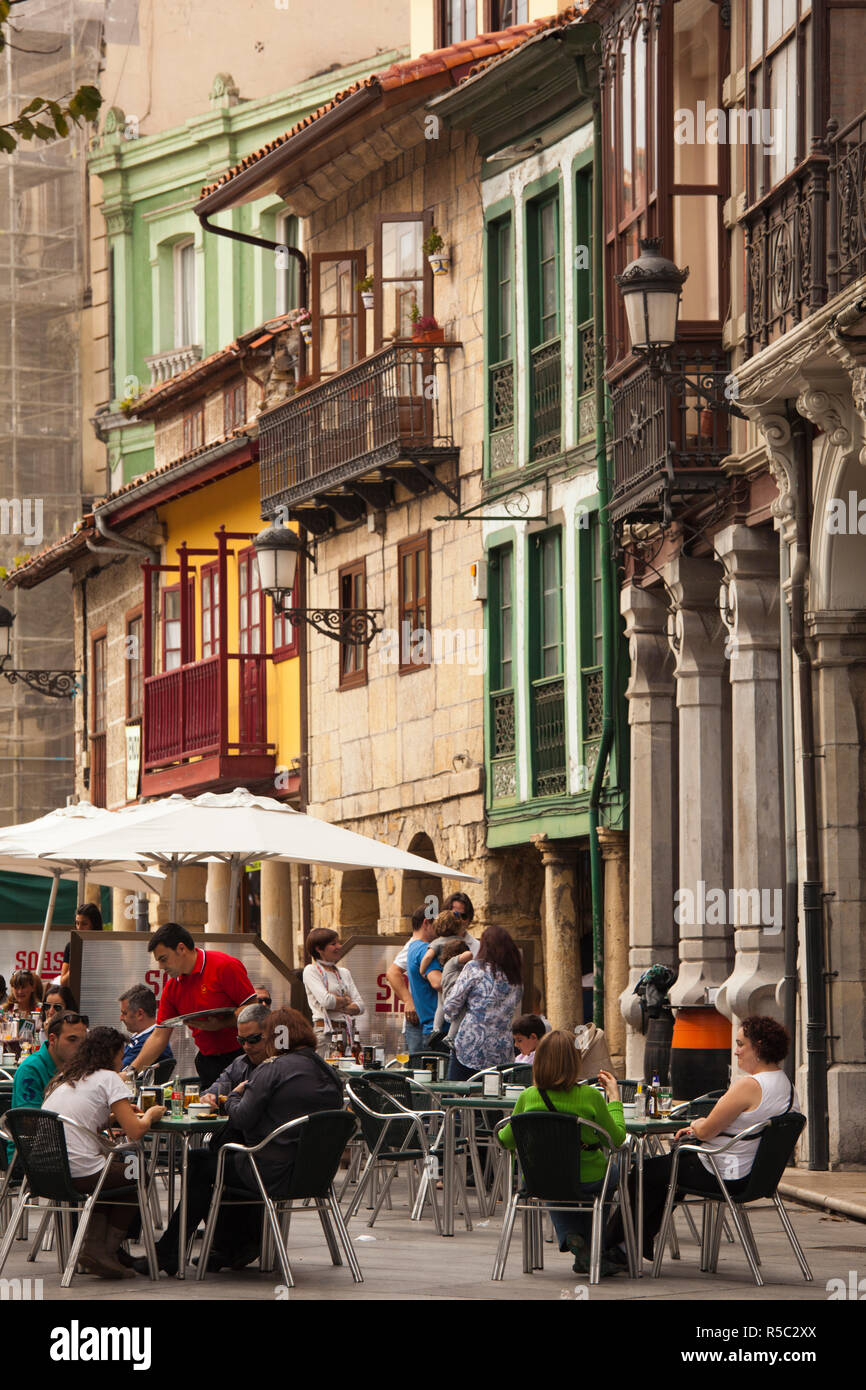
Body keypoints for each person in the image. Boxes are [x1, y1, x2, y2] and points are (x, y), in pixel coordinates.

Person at [138, 1007, 344, 1276]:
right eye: (241, 1041)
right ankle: (231, 1247)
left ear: (275, 1037)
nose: (247, 1047)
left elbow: (244, 1118)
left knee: (202, 1162)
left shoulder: (273, 1068)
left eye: (258, 1039)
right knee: (226, 1155)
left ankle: (169, 1252)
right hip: (315, 1175)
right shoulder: (328, 1071)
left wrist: (233, 1098)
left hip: (272, 1172)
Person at [607, 1015, 801, 1264]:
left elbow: (707, 1130)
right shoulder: (787, 1085)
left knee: (645, 1172)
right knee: (665, 1173)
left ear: (759, 1046)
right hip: (756, 1176)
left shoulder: (749, 1085)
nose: (736, 1052)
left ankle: (613, 1247)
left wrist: (694, 1125)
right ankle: (629, 1245)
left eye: (741, 1044)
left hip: (725, 1174)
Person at [498, 1030, 626, 1275]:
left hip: (539, 1179)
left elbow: (505, 1140)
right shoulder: (589, 1096)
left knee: (551, 1175)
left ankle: (573, 1239)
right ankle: (594, 1250)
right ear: (574, 1061)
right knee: (612, 1174)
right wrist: (614, 1098)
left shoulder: (527, 1096)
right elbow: (617, 1140)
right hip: (588, 1177)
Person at [44, 1026, 166, 1278]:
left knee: (116, 1174)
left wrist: (110, 1116)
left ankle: (95, 1246)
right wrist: (151, 1115)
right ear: (110, 1054)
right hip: (81, 1172)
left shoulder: (68, 1077)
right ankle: (105, 1250)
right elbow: (135, 1131)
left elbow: (80, 1117)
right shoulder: (109, 1078)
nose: (122, 1062)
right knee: (135, 1172)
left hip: (48, 1171)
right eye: (121, 1056)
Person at [127, 923, 256, 1090]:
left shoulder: (224, 966)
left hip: (242, 1055)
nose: (161, 967)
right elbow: (159, 1036)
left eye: (163, 959)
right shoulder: (172, 987)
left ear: (181, 948)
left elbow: (253, 1009)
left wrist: (222, 1023)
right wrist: (131, 1071)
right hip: (207, 1061)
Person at [6, 1010, 88, 1162]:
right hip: (32, 1157)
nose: (79, 1047)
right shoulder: (30, 1070)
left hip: (70, 1150)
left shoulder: (80, 1067)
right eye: (72, 1039)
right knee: (132, 1167)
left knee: (126, 1160)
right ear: (52, 1039)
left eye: (83, 1041)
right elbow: (30, 1124)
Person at [442, 925, 523, 1081]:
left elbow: (450, 1006)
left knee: (456, 1096)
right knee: (494, 1099)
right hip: (501, 1050)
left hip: (470, 1044)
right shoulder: (516, 977)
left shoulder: (474, 968)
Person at [302, 928, 364, 1057]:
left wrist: (338, 1005)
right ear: (319, 949)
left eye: (338, 943)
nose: (339, 947)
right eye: (333, 944)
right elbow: (327, 1001)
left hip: (348, 1032)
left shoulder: (344, 972)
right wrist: (347, 1000)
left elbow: (361, 1006)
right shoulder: (311, 971)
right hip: (326, 1034)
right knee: (326, 1073)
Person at [199, 1002, 271, 1109]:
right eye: (241, 1040)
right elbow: (212, 1092)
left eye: (253, 1039)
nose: (246, 1046)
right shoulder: (240, 1064)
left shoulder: (284, 1066)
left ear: (271, 1034)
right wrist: (206, 1099)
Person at [386, 906, 427, 1052]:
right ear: (427, 923)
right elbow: (392, 973)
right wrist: (408, 1001)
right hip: (419, 1020)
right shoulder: (415, 945)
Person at [405, 914, 442, 1052]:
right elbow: (437, 982)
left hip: (427, 1026)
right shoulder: (424, 949)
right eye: (438, 925)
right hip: (436, 1029)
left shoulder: (413, 947)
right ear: (426, 923)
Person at [119, 983, 174, 1070]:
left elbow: (120, 1073)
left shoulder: (149, 1044)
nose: (121, 1018)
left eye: (124, 1013)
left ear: (140, 1014)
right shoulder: (140, 1037)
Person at [59, 901, 103, 987]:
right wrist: (77, 962)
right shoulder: (71, 946)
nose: (79, 928)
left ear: (94, 925)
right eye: (77, 923)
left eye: (84, 924)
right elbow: (63, 982)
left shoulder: (105, 946)